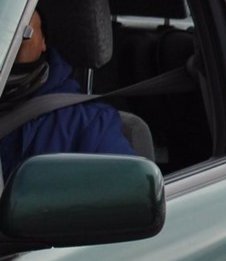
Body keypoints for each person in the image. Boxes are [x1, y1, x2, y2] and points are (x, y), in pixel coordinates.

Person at [1, 10, 135, 178]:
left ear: (43, 41)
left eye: (21, 33)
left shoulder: (91, 125)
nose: (6, 42)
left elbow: (124, 187)